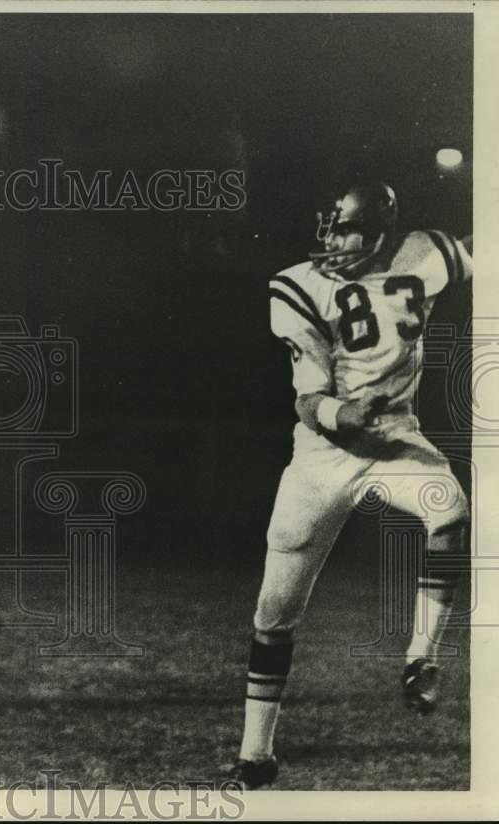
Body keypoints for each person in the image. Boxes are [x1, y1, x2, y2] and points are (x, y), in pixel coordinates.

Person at [227, 182, 473, 788]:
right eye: (329, 228)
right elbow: (310, 399)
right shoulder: (298, 286)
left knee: (451, 509)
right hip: (323, 456)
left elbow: (471, 248)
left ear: (380, 231)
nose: (332, 241)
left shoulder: (423, 254)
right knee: (274, 615)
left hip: (394, 442)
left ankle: (421, 656)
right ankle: (256, 756)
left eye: (345, 230)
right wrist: (344, 415)